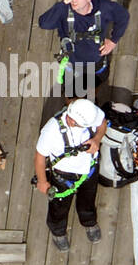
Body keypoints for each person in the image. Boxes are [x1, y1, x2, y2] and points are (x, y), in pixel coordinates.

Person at [37, 0, 128, 100]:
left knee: (93, 89)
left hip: (96, 63)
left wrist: (113, 41)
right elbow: (44, 23)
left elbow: (123, 16)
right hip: (72, 64)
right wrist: (63, 4)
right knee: (71, 95)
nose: (73, 0)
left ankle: (89, 100)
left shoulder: (104, 8)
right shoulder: (64, 11)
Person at [34, 97, 107, 251]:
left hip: (88, 170)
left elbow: (102, 123)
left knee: (88, 199)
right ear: (72, 121)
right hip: (63, 176)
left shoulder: (89, 112)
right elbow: (40, 157)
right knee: (59, 206)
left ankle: (89, 221)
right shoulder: (51, 131)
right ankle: (58, 231)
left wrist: (96, 139)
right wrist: (42, 181)